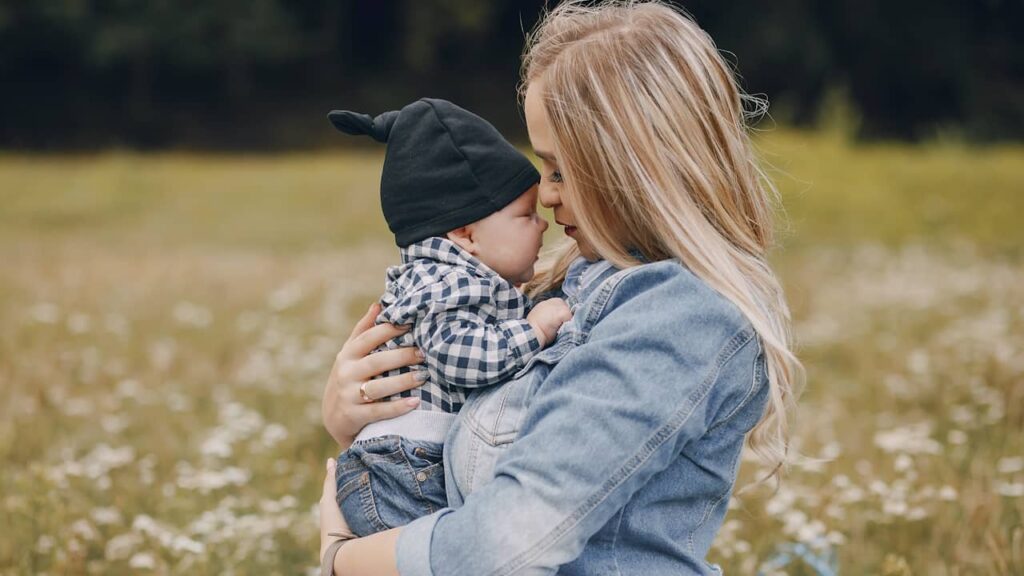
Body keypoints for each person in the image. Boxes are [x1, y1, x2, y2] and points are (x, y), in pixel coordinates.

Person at [318, 1, 803, 574]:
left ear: (632, 167)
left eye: (559, 170)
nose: (545, 198)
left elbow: (501, 545)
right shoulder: (566, 290)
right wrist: (354, 415)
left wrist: (341, 558)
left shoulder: (679, 317)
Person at [326, 98, 572, 537]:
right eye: (525, 215)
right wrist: (534, 331)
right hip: (406, 470)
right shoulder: (449, 286)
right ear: (465, 234)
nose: (543, 224)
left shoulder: (457, 278)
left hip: (405, 465)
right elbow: (459, 357)